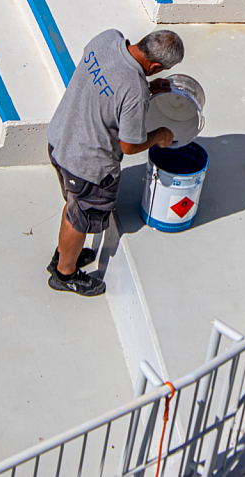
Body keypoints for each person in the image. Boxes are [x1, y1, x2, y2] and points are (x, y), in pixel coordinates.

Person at [45, 29, 184, 296]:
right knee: (80, 219)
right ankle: (65, 274)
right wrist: (159, 136)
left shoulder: (107, 38)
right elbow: (129, 145)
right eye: (162, 69)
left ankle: (65, 254)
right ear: (155, 66)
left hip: (60, 139)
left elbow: (111, 81)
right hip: (87, 167)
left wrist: (147, 85)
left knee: (73, 205)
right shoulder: (134, 92)